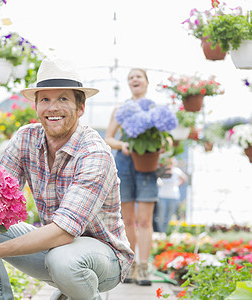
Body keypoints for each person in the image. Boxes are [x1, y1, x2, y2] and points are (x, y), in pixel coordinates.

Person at [0, 58, 134, 300]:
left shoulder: (94, 153)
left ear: (81, 107)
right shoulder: (26, 138)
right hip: (53, 248)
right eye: (45, 99)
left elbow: (65, 232)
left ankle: (78, 291)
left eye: (63, 99)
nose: (52, 108)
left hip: (104, 259)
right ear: (36, 106)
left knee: (63, 261)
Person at [104, 68, 157, 286]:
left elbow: (168, 140)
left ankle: (144, 267)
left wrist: (160, 146)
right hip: (124, 165)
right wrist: (122, 145)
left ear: (146, 82)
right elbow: (108, 138)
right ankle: (132, 265)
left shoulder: (155, 110)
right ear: (129, 84)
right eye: (131, 77)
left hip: (147, 166)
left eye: (139, 76)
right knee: (127, 220)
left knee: (145, 220)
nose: (135, 79)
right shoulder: (121, 109)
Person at [154, 157, 188, 233]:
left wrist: (177, 184)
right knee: (161, 216)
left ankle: (166, 232)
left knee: (169, 216)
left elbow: (184, 178)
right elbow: (157, 179)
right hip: (162, 195)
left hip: (173, 196)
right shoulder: (162, 171)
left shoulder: (176, 171)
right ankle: (161, 231)